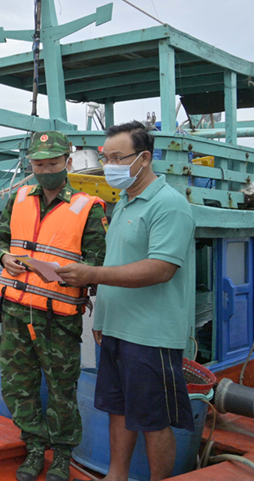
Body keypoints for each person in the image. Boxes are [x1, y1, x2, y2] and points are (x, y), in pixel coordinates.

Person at [55, 121, 196, 481]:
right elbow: (117, 263)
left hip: (152, 334)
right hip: (117, 329)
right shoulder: (124, 203)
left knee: (153, 419)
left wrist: (91, 274)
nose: (110, 166)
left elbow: (160, 269)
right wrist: (101, 318)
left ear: (144, 158)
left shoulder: (169, 205)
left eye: (119, 158)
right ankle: (116, 476)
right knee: (117, 410)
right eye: (107, 158)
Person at [0, 131, 107, 481]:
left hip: (58, 318)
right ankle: (35, 448)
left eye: (52, 163)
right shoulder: (19, 197)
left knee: (61, 388)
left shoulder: (89, 207)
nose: (45, 170)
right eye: (39, 164)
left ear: (67, 163)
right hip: (14, 312)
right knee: (17, 385)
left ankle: (62, 456)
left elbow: (98, 262)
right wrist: (5, 256)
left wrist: (77, 273)